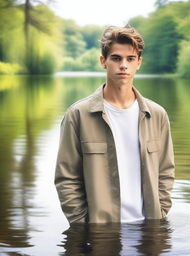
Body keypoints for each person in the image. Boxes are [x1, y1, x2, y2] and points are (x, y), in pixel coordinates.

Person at [55, 25, 175, 224]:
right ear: (104, 62)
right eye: (116, 58)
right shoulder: (78, 115)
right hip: (98, 231)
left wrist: (160, 212)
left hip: (149, 228)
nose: (123, 66)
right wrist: (82, 222)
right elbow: (66, 177)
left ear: (139, 63)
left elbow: (166, 171)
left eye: (130, 59)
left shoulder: (157, 115)